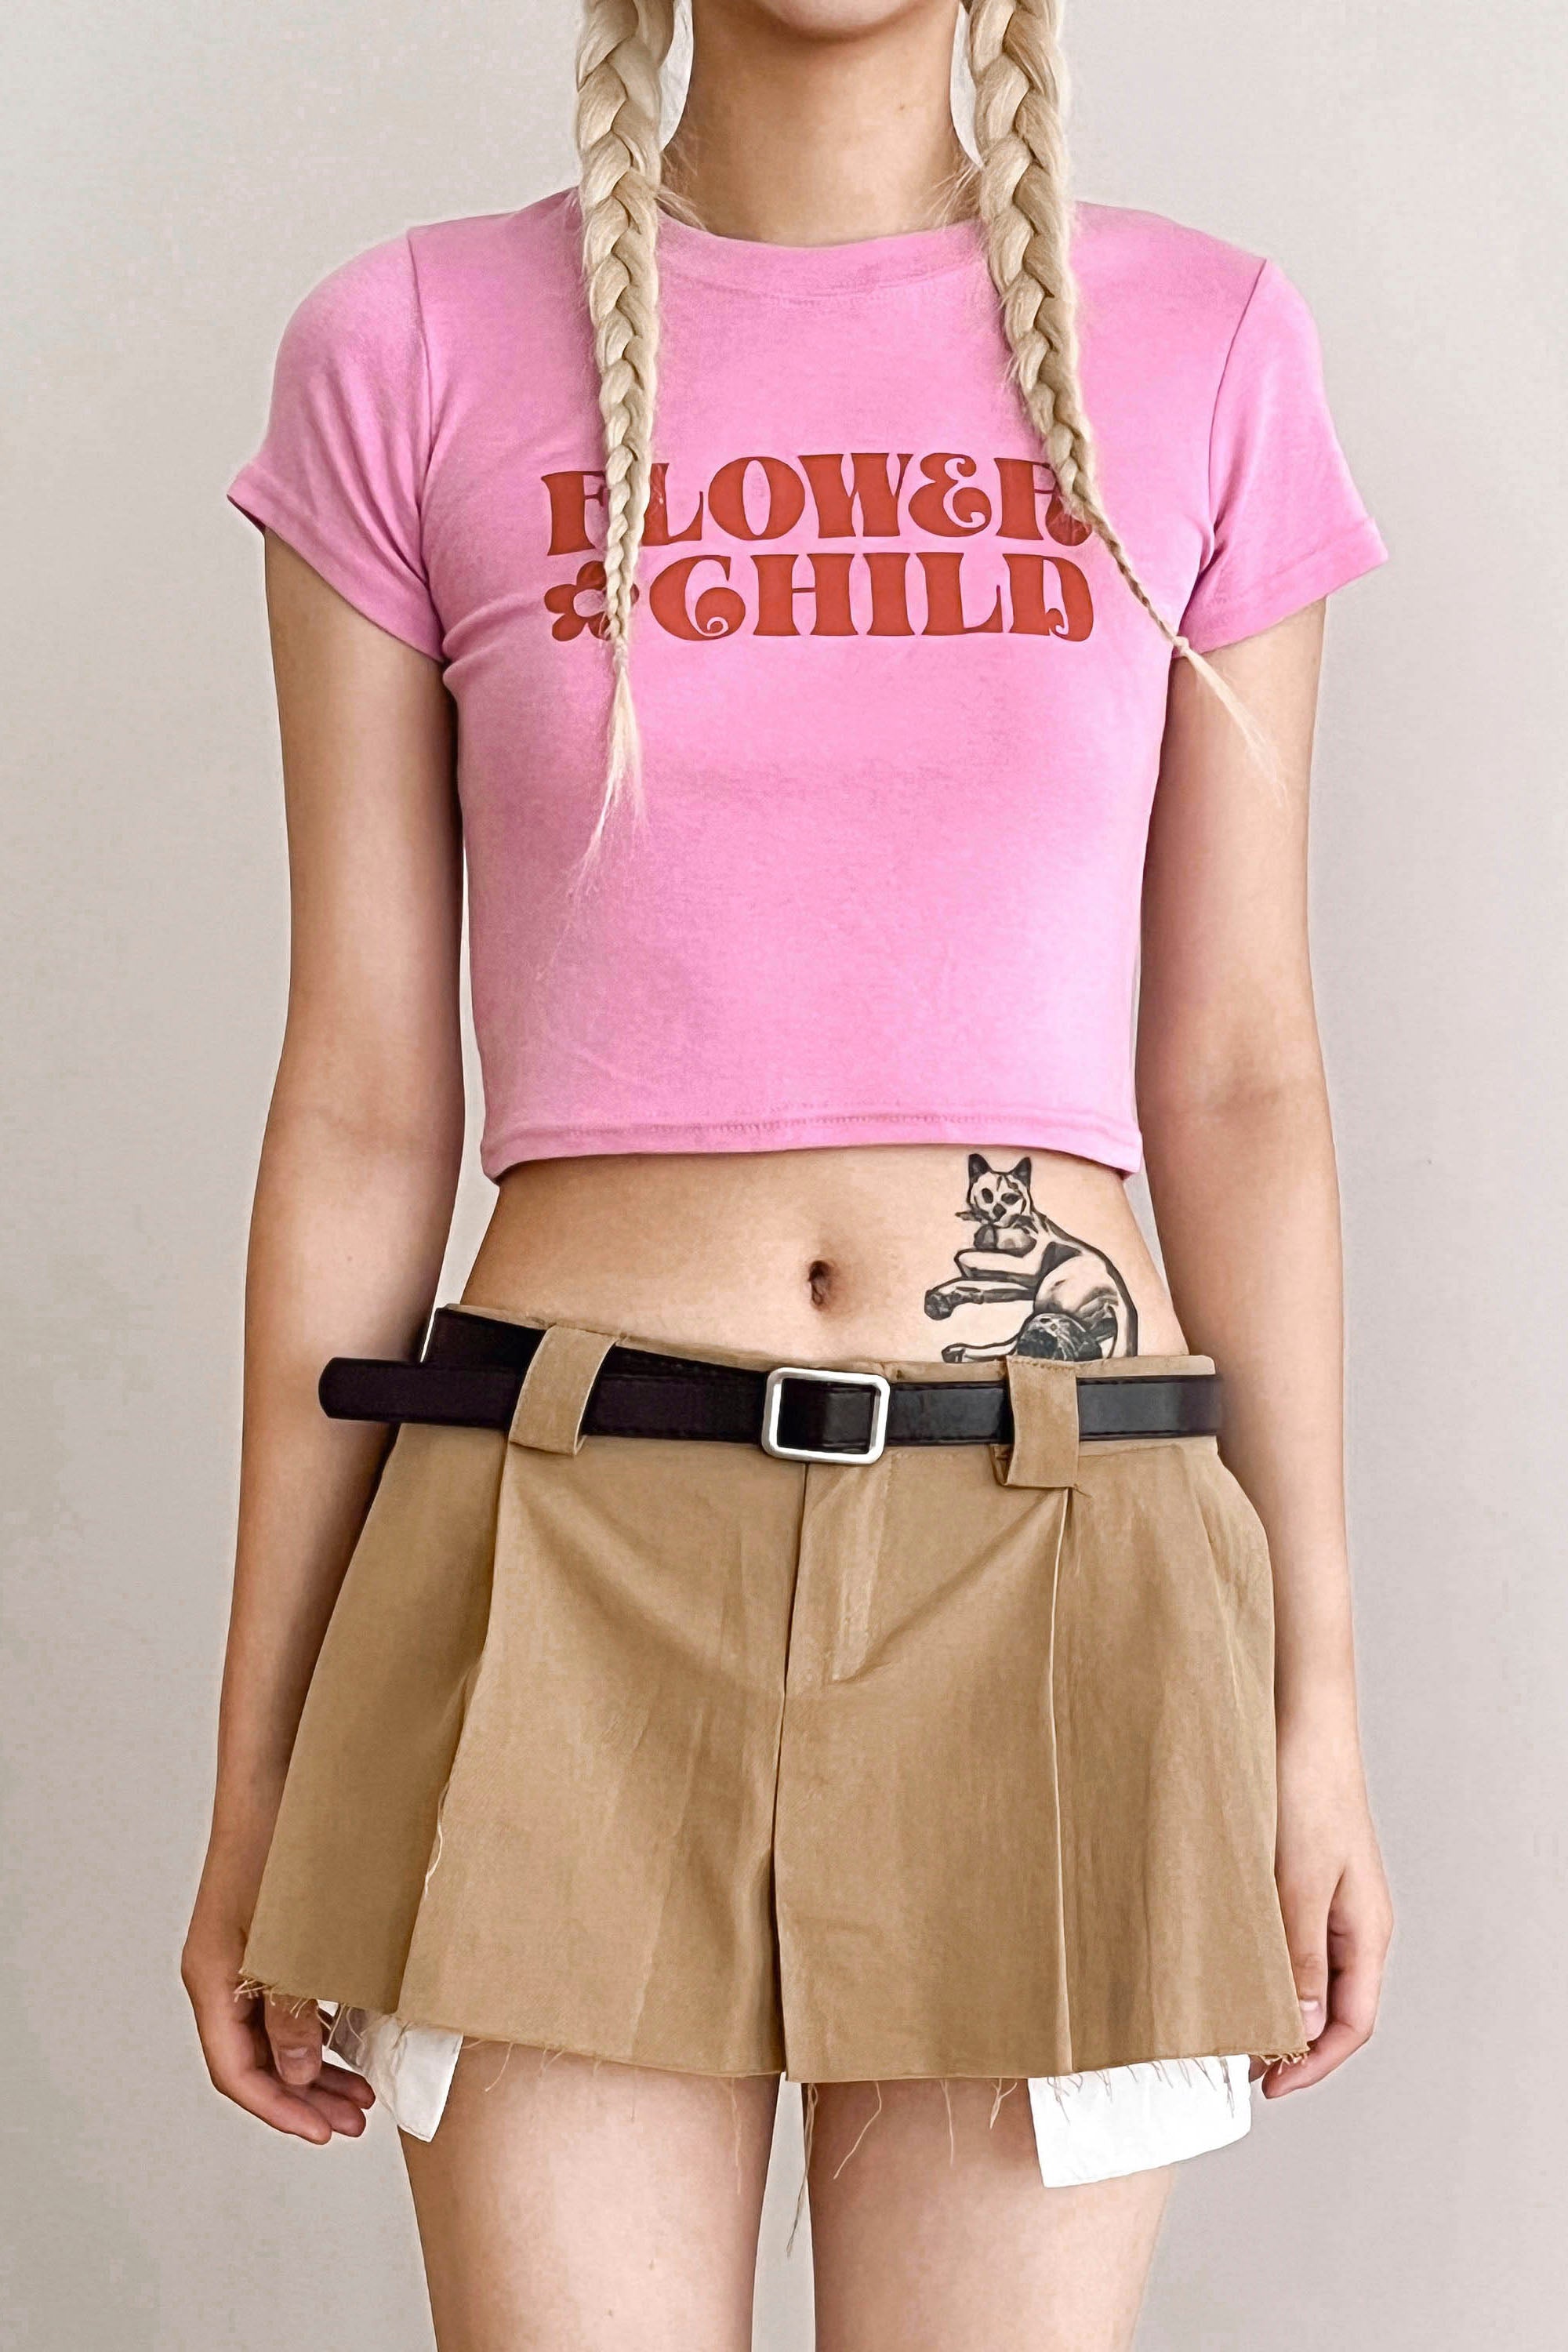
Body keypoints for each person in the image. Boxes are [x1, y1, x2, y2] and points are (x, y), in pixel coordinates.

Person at [182, 2, 1394, 2344]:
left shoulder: (1211, 347)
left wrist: (1317, 1698)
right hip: (552, 1557)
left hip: (1063, 1561)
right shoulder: (408, 349)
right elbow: (359, 1101)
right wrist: (259, 1772)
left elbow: (1242, 1070)